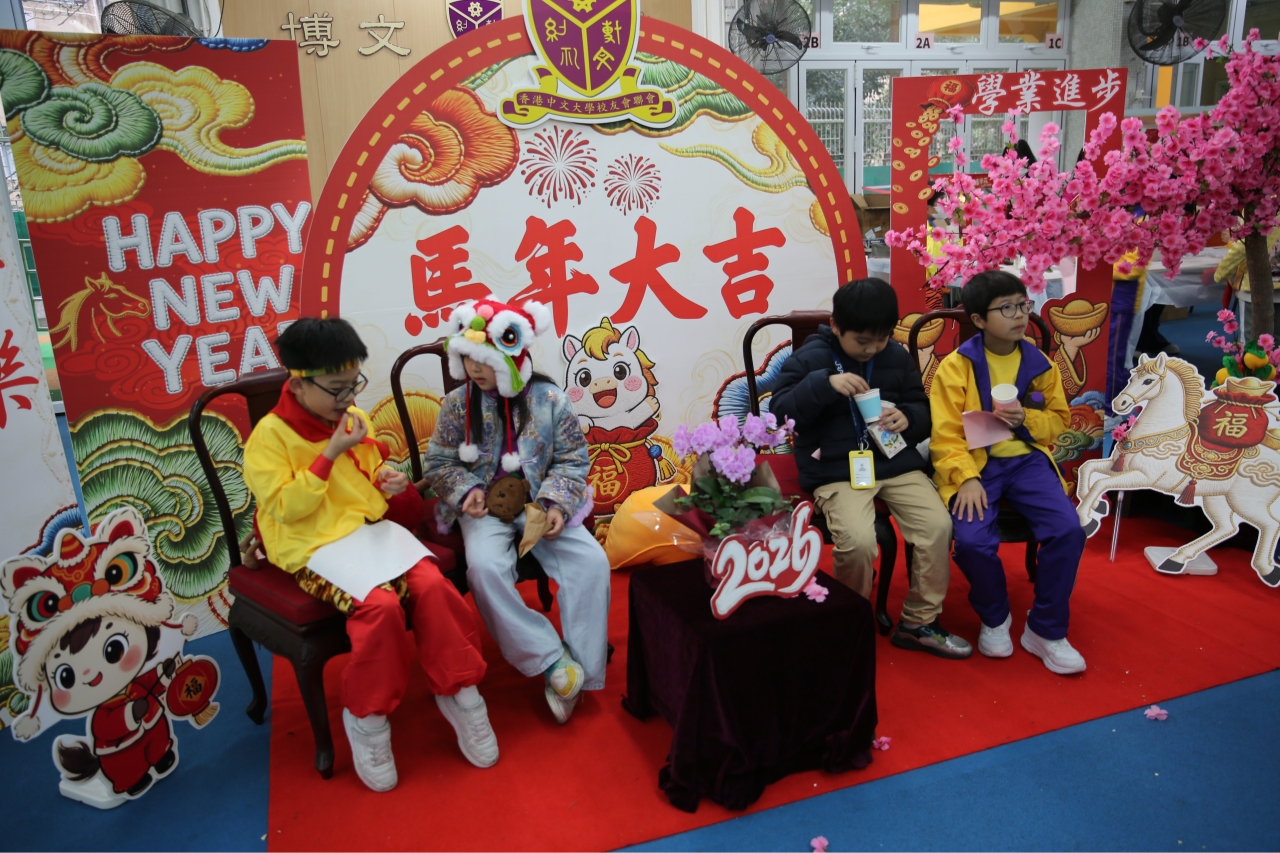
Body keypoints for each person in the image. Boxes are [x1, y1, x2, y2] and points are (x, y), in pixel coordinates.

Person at [243, 318, 495, 793]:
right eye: (336, 388)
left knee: (434, 587)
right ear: (298, 384)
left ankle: (462, 693)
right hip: (313, 549)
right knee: (379, 608)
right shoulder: (269, 438)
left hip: (370, 538)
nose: (348, 397)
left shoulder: (352, 418)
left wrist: (389, 481)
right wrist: (330, 454)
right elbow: (285, 509)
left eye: (353, 383)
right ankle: (368, 719)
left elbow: (371, 473)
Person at [423, 298, 610, 725]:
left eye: (484, 360)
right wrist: (466, 492)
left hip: (541, 501)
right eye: (468, 358)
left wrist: (556, 503)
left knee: (592, 562)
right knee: (484, 569)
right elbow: (439, 463)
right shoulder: (457, 404)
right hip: (483, 509)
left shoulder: (550, 399)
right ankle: (551, 661)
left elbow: (573, 459)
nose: (474, 368)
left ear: (510, 356)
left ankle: (577, 676)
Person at [771, 278, 972, 659]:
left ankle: (919, 622)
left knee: (937, 526)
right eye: (862, 341)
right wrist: (824, 384)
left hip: (895, 462)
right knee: (859, 541)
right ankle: (848, 619)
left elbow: (921, 406)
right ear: (835, 326)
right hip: (836, 468)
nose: (871, 349)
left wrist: (908, 418)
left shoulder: (894, 355)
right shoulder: (811, 358)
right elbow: (781, 413)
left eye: (880, 339)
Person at [930, 270, 1088, 675]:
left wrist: (1026, 420)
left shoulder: (1040, 364)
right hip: (976, 464)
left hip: (1027, 462)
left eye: (1022, 304)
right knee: (971, 543)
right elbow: (945, 435)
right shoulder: (956, 367)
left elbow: (1058, 421)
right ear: (978, 320)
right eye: (1006, 308)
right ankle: (995, 616)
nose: (1019, 315)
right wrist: (966, 478)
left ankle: (1046, 629)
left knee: (1068, 530)